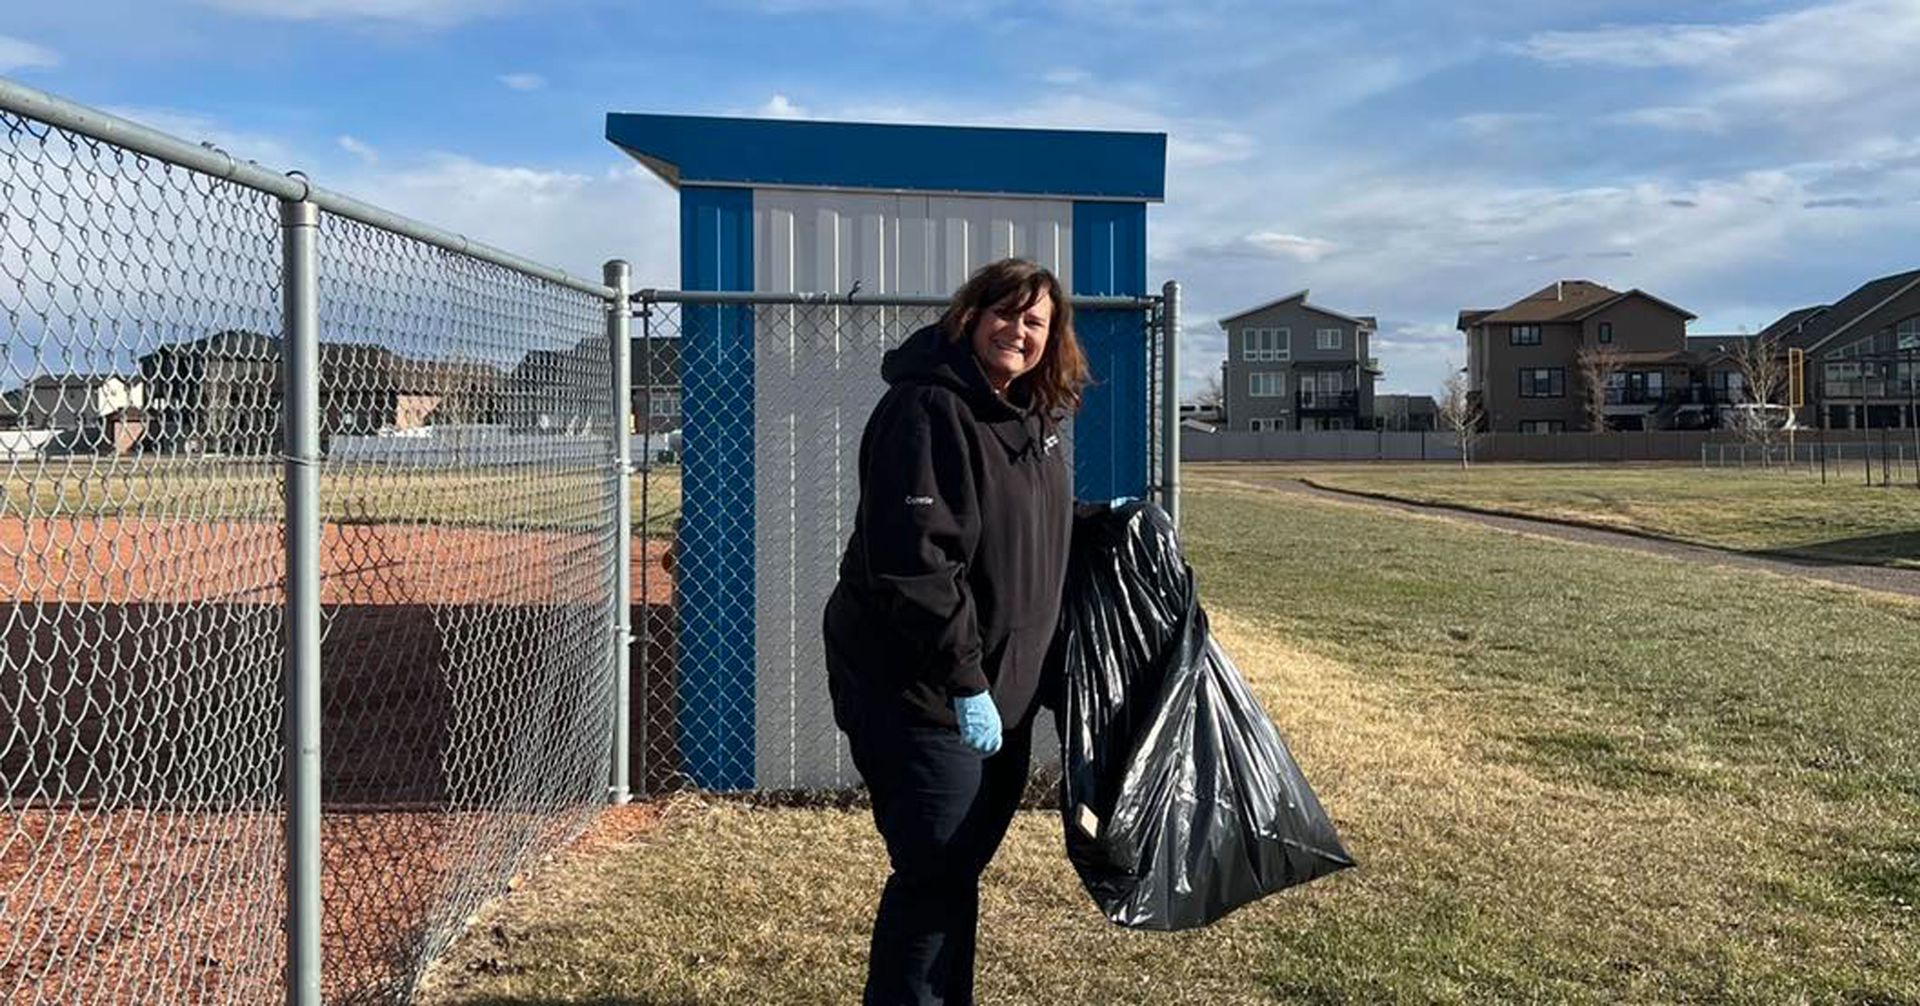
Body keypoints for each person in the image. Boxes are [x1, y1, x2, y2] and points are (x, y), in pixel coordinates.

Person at [822, 258, 1087, 1005]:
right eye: (1004, 313)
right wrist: (967, 680)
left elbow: (1027, 528)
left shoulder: (1029, 419)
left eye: (1035, 321)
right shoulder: (926, 410)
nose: (1018, 331)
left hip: (999, 690)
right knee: (934, 875)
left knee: (955, 870)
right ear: (970, 316)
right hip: (923, 689)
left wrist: (1111, 527)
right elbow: (916, 564)